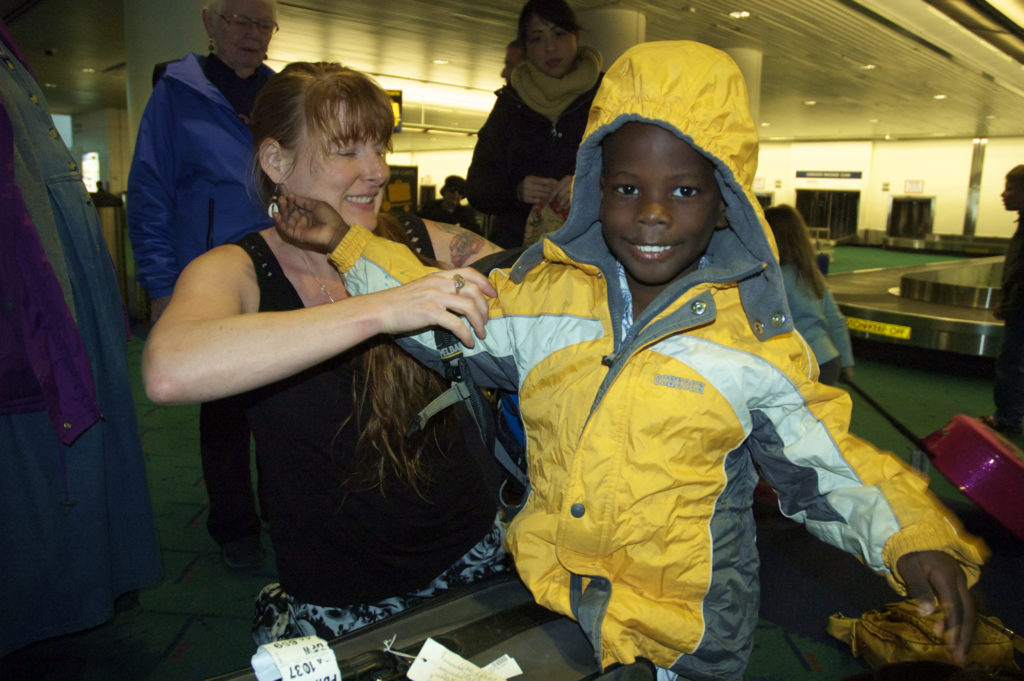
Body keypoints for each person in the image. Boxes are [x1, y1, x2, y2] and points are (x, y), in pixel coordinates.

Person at [276, 41, 988, 680]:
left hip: (684, 640)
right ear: (596, 190)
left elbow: (829, 462)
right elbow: (441, 308)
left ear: (725, 202)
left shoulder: (750, 346)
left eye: (684, 190)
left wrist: (912, 539)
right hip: (556, 604)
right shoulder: (545, 300)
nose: (652, 212)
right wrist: (347, 242)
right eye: (626, 188)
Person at [142, 61, 506, 644]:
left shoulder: (417, 240)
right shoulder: (237, 270)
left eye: (379, 147)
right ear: (276, 162)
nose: (377, 170)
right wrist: (382, 309)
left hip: (474, 554)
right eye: (346, 151)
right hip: (342, 592)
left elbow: (538, 287)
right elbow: (168, 370)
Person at [0, 20, 161, 656]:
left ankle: (88, 585)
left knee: (91, 431)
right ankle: (42, 609)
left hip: (57, 273)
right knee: (35, 458)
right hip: (24, 290)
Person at [127, 0, 279, 569]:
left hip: (280, 271)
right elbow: (149, 196)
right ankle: (235, 526)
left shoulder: (282, 95)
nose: (253, 34)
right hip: (210, 279)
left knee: (288, 403)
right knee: (225, 411)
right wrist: (162, 286)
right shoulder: (176, 94)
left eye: (264, 24)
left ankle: (286, 510)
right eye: (240, 21)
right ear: (210, 23)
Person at [465, 0, 602, 248]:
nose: (550, 47)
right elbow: (477, 186)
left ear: (576, 36)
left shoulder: (607, 95)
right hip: (518, 253)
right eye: (537, 39)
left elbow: (636, 173)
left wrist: (589, 184)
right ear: (526, 47)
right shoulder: (510, 104)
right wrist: (516, 191)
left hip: (591, 251)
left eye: (559, 34)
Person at [764, 204, 854, 386]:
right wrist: (846, 362)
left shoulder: (775, 279)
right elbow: (836, 321)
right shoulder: (810, 275)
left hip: (801, 364)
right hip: (827, 360)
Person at [982, 165, 1024, 436]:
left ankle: (1007, 418)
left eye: (1010, 188)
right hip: (1016, 305)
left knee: (1012, 363)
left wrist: (1010, 302)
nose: (1003, 194)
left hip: (1021, 309)